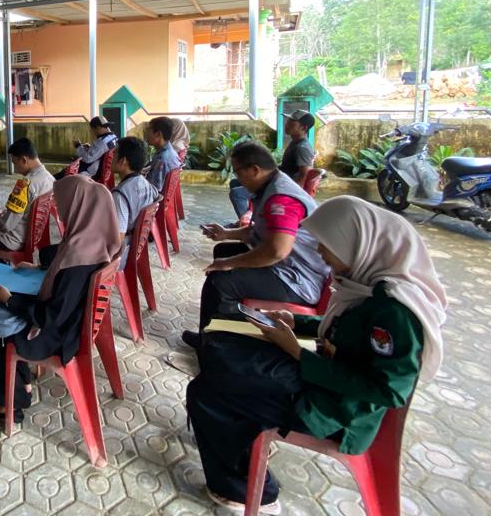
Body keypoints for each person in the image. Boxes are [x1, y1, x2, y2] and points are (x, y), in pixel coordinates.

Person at [186, 195, 447, 514]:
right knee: (227, 354)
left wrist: (298, 352)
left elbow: (389, 390)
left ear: (357, 244)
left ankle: (252, 491)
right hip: (324, 383)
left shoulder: (395, 311)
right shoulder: (368, 287)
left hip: (336, 412)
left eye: (328, 245)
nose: (320, 253)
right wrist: (299, 322)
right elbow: (347, 328)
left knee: (210, 391)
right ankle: (227, 442)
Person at [0, 176, 121, 425]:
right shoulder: (96, 239)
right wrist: (39, 266)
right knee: (10, 308)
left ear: (78, 207)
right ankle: (23, 383)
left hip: (58, 337)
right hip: (70, 324)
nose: (59, 209)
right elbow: (60, 268)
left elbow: (47, 317)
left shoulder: (77, 258)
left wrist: (9, 300)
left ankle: (11, 404)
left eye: (62, 203)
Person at [182, 141, 327, 350]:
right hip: (286, 266)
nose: (237, 178)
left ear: (255, 170)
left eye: (238, 172)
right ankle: (211, 334)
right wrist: (226, 234)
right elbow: (260, 232)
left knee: (219, 281)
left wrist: (229, 264)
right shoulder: (271, 186)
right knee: (223, 251)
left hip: (296, 279)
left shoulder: (281, 199)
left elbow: (277, 250)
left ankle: (215, 344)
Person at [0, 137, 54, 267]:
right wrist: (3, 213)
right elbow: (24, 211)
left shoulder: (25, 185)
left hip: (9, 241)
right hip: (29, 238)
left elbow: (6, 226)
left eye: (15, 163)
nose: (16, 169)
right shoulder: (49, 179)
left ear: (24, 160)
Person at [229, 112, 316, 220]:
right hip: (276, 180)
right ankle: (252, 214)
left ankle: (247, 222)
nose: (286, 124)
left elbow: (305, 174)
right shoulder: (295, 142)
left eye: (291, 122)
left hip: (281, 186)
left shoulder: (302, 147)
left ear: (303, 128)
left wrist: (291, 195)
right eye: (287, 120)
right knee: (235, 182)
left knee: (237, 193)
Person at [111, 136, 159, 268]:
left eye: (114, 154)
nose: (111, 157)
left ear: (123, 161)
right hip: (137, 245)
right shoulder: (145, 183)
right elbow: (158, 197)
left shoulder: (120, 195)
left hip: (123, 255)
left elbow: (117, 242)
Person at [55, 116, 118, 180]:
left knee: (62, 175)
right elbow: (100, 152)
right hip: (101, 169)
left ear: (97, 128)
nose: (93, 132)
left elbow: (87, 158)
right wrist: (90, 148)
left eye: (92, 130)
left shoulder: (102, 142)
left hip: (91, 171)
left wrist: (78, 146)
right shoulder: (113, 137)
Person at [144, 116, 181, 192]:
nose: (145, 133)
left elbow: (154, 191)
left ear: (158, 134)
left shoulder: (162, 159)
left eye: (148, 130)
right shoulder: (170, 151)